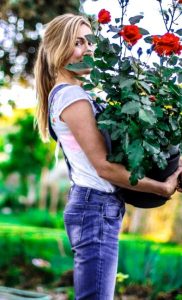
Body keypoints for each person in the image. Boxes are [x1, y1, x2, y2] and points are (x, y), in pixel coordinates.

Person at [34, 13, 182, 300]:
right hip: (95, 208)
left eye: (89, 41)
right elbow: (104, 167)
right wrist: (162, 188)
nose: (87, 49)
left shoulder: (75, 94)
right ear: (56, 49)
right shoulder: (72, 98)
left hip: (94, 207)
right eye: (77, 42)